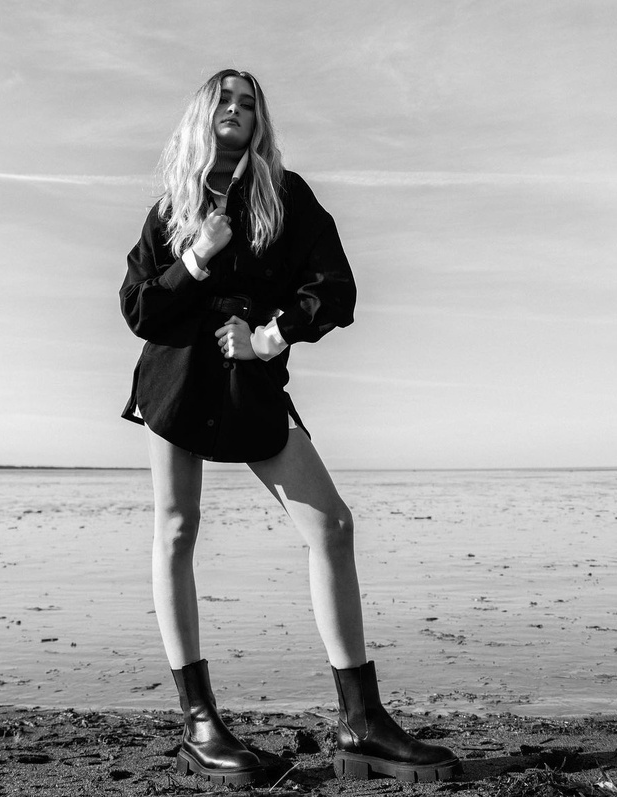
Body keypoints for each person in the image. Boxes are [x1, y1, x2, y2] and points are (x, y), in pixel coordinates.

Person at [120, 69, 460, 786]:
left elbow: (335, 288)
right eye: (225, 100)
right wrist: (196, 256)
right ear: (203, 115)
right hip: (175, 382)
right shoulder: (171, 208)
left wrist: (270, 338)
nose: (237, 109)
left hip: (248, 383)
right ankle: (200, 726)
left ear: (260, 122)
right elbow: (140, 310)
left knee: (331, 525)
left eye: (249, 103)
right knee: (176, 529)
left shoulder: (285, 195)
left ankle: (361, 722)